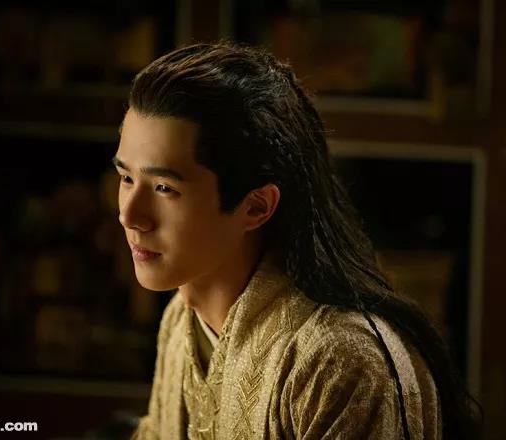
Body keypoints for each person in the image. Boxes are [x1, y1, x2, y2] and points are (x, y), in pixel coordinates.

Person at [114, 41, 482, 439]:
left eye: (165, 188)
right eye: (127, 178)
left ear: (256, 207)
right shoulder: (181, 319)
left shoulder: (338, 363)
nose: (129, 216)